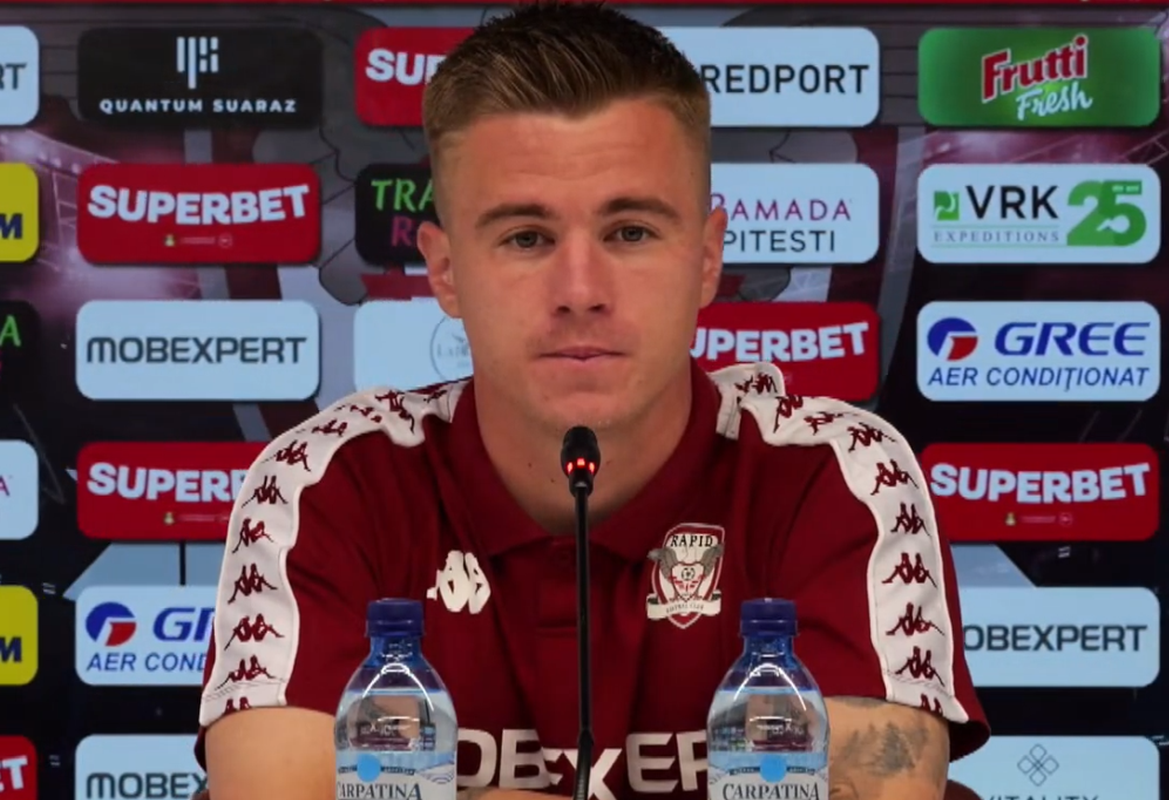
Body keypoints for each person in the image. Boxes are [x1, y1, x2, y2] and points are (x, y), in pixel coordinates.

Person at [196, 3, 990, 799]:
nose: (580, 291)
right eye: (526, 238)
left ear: (707, 258)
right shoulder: (327, 484)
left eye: (631, 232)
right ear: (444, 270)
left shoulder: (835, 475)